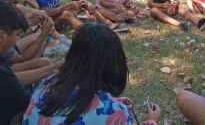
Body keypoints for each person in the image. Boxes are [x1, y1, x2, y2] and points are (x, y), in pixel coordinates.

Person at [23, 24, 161, 124]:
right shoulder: (116, 113)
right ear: (114, 64)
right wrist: (151, 121)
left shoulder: (47, 84)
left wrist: (111, 102)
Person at [0, 0, 63, 124]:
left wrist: (52, 69)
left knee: (44, 64)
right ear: (1, 35)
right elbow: (30, 109)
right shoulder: (4, 77)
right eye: (18, 34)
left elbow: (11, 75)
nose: (18, 39)